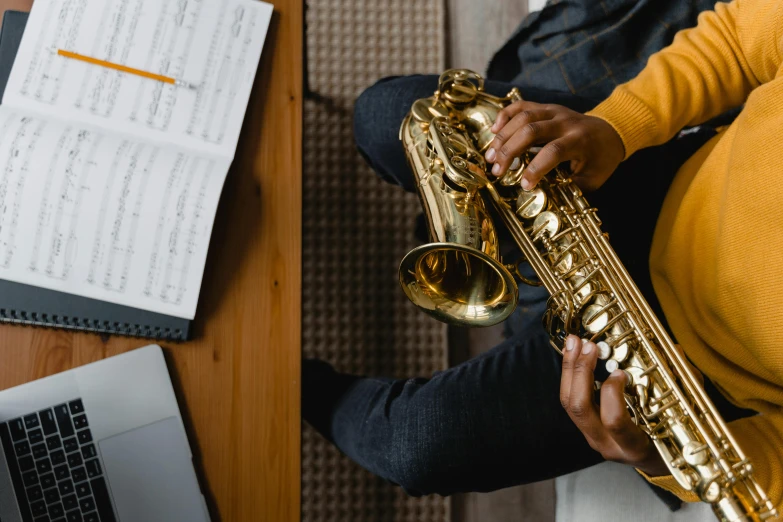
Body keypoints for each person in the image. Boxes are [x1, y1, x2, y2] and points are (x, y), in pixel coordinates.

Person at [303, 0, 783, 512]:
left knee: (411, 447)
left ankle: (302, 389)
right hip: (657, 175)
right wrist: (615, 127)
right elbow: (737, 40)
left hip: (672, 380)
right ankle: (484, 244)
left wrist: (659, 460)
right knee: (387, 115)